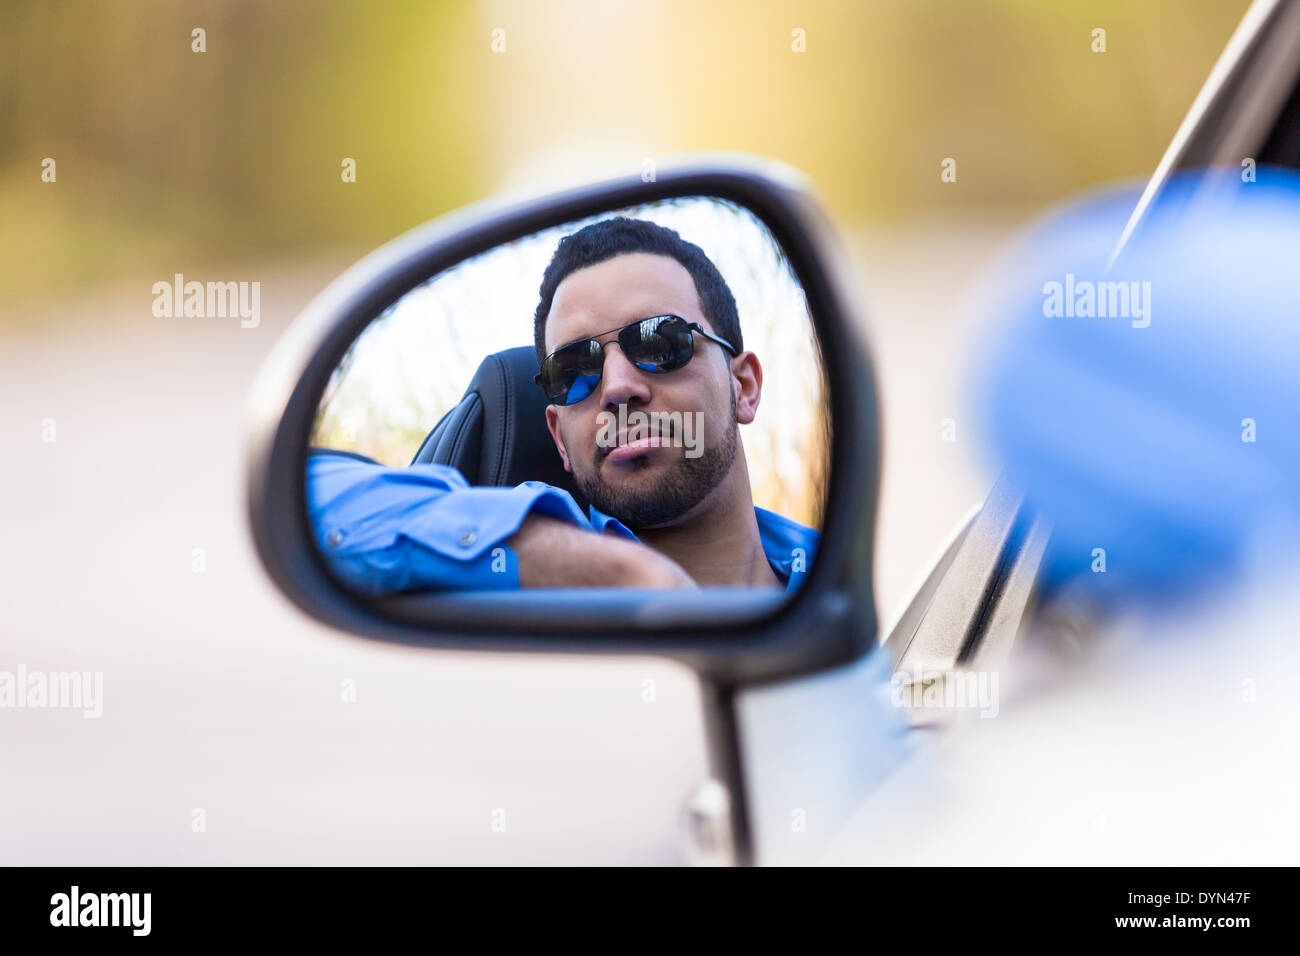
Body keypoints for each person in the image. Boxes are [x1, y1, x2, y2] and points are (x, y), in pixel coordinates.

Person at [308, 217, 818, 594]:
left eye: (660, 343)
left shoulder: (826, 569)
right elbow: (312, 493)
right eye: (574, 372)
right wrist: (612, 571)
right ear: (559, 437)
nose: (617, 388)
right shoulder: (517, 571)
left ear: (744, 385)